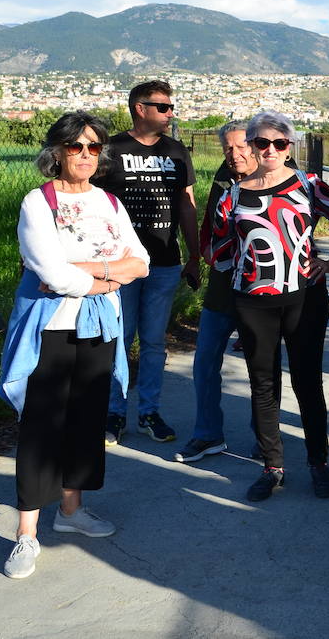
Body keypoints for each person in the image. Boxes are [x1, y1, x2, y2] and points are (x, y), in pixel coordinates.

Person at [0, 111, 150, 579]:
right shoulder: (37, 202)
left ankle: (71, 511)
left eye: (93, 146)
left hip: (99, 325)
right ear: (57, 151)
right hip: (51, 328)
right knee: (42, 424)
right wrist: (108, 273)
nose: (85, 154)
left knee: (86, 418)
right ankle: (26, 533)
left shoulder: (108, 201)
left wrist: (89, 273)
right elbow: (51, 272)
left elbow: (140, 262)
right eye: (75, 146)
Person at [209, 111, 329, 502]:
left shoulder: (308, 185)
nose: (271, 150)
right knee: (263, 385)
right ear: (251, 145)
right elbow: (217, 249)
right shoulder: (232, 194)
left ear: (289, 146)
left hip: (306, 298)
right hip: (253, 303)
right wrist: (242, 275)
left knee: (307, 381)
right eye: (261, 143)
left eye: (279, 143)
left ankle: (319, 462)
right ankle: (272, 465)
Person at [94, 80, 199, 446]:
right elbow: (93, 203)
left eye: (171, 107)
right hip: (120, 265)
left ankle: (150, 412)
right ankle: (114, 412)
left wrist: (194, 255)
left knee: (153, 342)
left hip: (165, 263)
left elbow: (186, 203)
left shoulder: (176, 150)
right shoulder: (111, 149)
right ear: (141, 109)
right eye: (164, 107)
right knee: (118, 339)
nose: (171, 114)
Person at [173, 121, 265, 464]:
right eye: (228, 148)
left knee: (261, 365)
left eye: (241, 147)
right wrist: (201, 257)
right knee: (205, 359)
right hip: (224, 283)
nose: (235, 154)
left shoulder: (278, 175)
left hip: (261, 289)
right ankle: (207, 433)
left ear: (255, 144)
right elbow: (210, 222)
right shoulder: (225, 178)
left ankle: (264, 437)